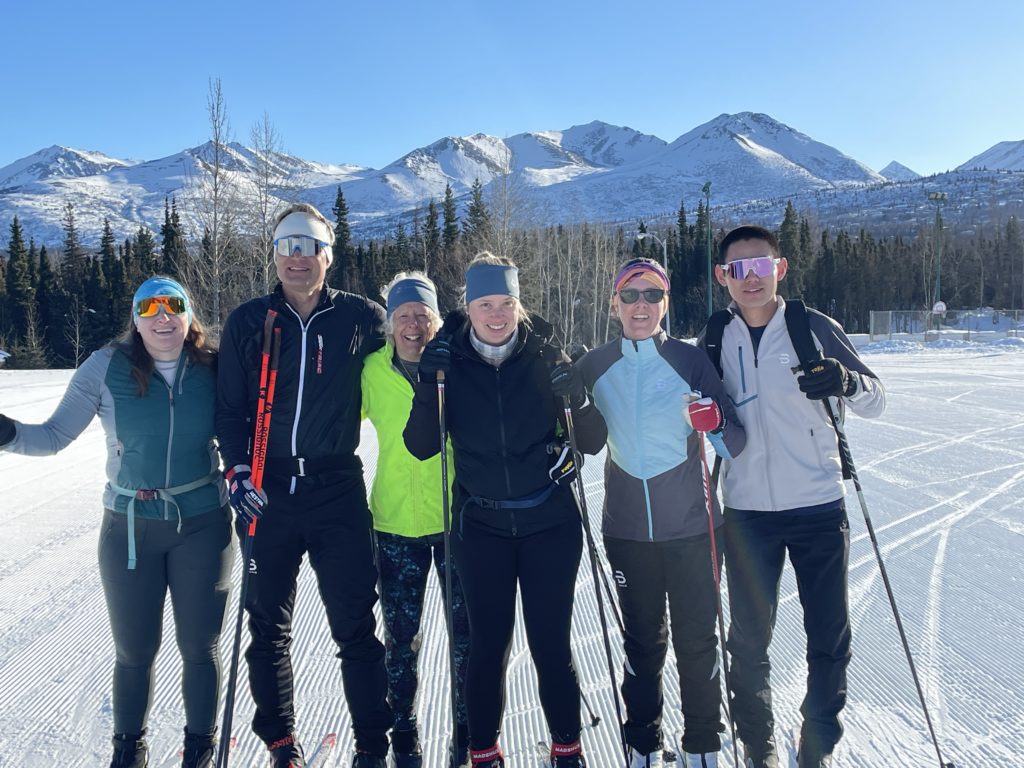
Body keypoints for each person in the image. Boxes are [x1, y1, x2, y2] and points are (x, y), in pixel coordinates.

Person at [0, 276, 231, 768]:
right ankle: (129, 750)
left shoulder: (215, 366)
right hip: (130, 528)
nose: (162, 317)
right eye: (150, 308)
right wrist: (6, 433)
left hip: (202, 523)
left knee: (199, 645)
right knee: (134, 650)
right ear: (135, 317)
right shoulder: (106, 367)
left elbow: (250, 427)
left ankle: (200, 749)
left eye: (174, 306)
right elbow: (55, 435)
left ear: (189, 315)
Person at [403, 253, 606, 768]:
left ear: (519, 304)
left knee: (550, 644)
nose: (497, 315)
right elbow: (422, 446)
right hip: (482, 526)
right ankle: (483, 753)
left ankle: (567, 750)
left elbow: (594, 441)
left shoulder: (547, 354)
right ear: (468, 306)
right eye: (485, 303)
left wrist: (577, 399)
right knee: (487, 647)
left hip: (549, 523)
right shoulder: (448, 362)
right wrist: (428, 387)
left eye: (506, 303)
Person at [700, 225, 886, 768]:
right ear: (723, 277)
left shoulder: (811, 327)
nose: (750, 279)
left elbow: (877, 398)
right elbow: (697, 409)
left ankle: (818, 741)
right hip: (748, 512)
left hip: (817, 506)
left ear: (779, 269)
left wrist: (845, 382)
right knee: (748, 640)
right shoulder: (713, 336)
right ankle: (757, 743)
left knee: (827, 634)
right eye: (739, 270)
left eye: (761, 267)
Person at [216, 203, 392, 768]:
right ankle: (281, 742)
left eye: (309, 246)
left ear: (328, 255)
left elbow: (420, 334)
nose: (297, 258)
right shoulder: (249, 321)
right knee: (267, 628)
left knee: (356, 626)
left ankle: (371, 743)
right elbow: (229, 409)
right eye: (287, 245)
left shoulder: (361, 318)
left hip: (336, 487)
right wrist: (238, 471)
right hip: (268, 490)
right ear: (274, 253)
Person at [575, 258, 746, 768]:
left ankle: (702, 747)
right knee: (642, 647)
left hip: (695, 529)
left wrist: (714, 422)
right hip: (627, 532)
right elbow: (565, 423)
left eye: (652, 295)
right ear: (614, 305)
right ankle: (643, 745)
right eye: (631, 296)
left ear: (666, 303)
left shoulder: (689, 362)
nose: (641, 306)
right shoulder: (595, 366)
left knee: (698, 643)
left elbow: (733, 441)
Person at [361, 272, 470, 768]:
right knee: (400, 640)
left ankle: (468, 731)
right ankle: (403, 731)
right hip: (395, 523)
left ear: (435, 320)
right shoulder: (370, 372)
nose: (412, 325)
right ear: (388, 324)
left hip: (456, 522)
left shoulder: (456, 365)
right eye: (402, 315)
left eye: (422, 315)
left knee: (466, 635)